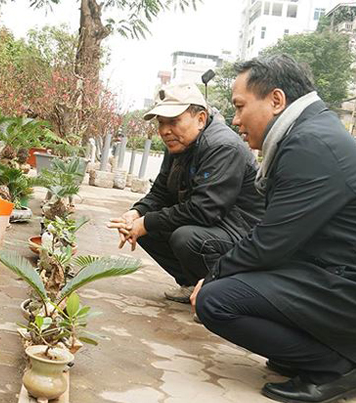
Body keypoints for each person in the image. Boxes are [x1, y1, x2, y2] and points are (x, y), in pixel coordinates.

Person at [192, 55, 356, 403]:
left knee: (216, 300)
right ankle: (308, 352)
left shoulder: (310, 143)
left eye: (241, 106)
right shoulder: (309, 133)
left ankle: (334, 369)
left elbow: (270, 243)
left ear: (276, 100)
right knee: (229, 277)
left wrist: (211, 278)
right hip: (349, 274)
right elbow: (274, 234)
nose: (236, 119)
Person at [108, 82, 264, 303]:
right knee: (143, 228)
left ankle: (222, 296)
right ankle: (192, 285)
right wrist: (136, 213)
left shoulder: (222, 146)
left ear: (200, 118)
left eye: (173, 121)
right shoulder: (178, 145)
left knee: (185, 238)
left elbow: (205, 210)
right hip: (214, 225)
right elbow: (161, 191)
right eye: (161, 123)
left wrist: (146, 222)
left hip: (242, 233)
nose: (164, 131)